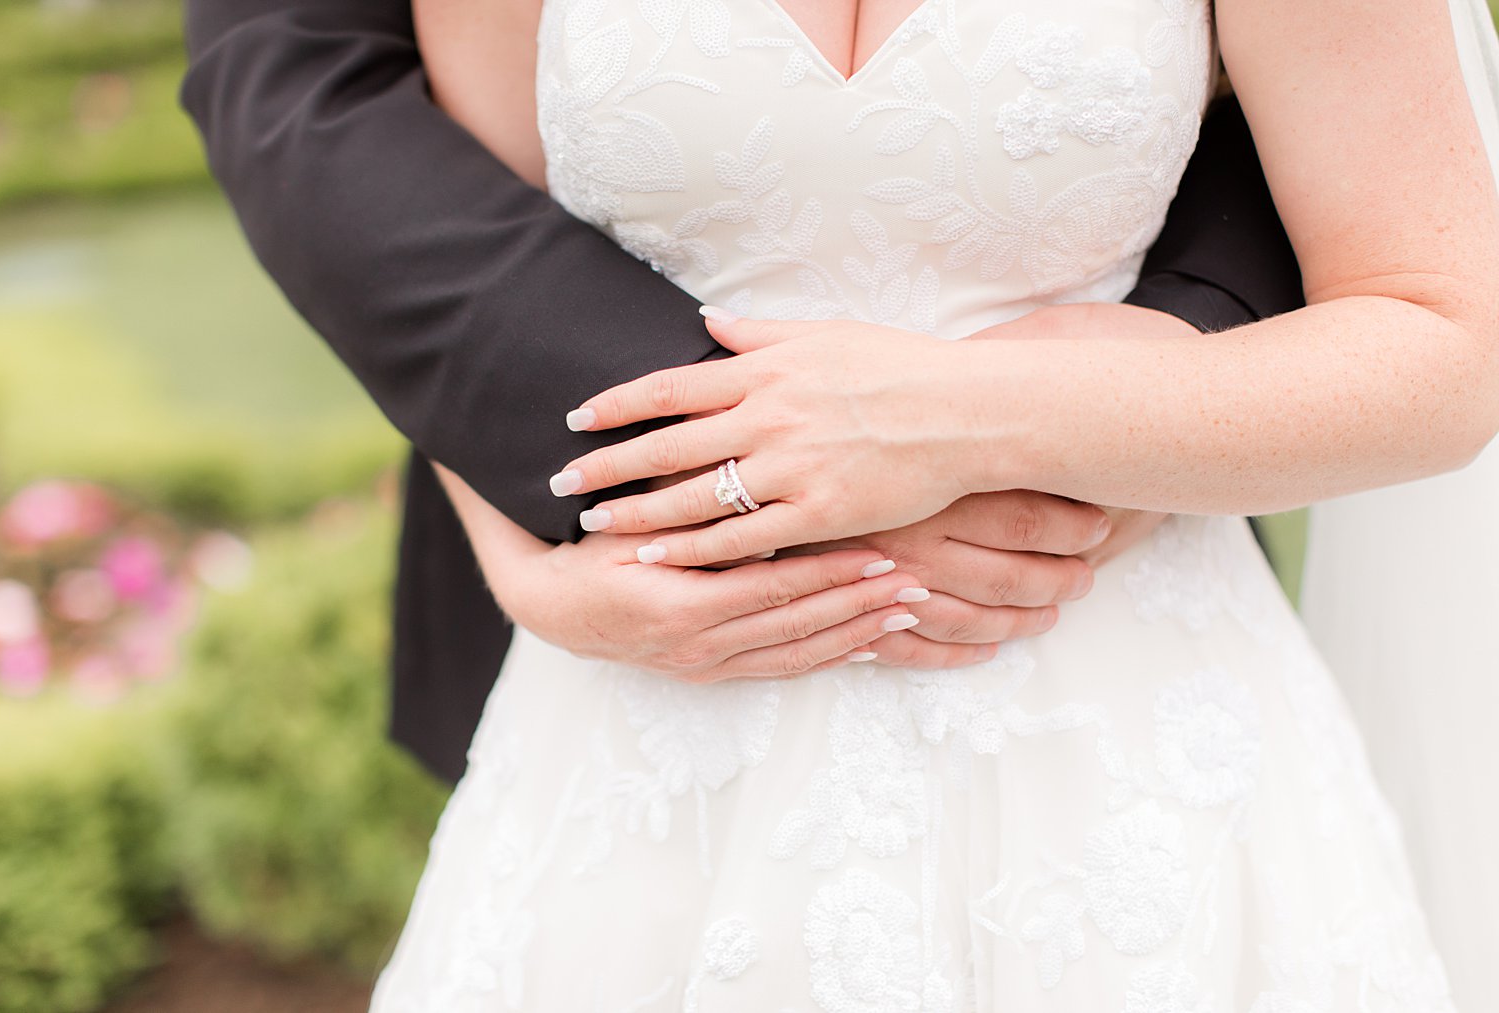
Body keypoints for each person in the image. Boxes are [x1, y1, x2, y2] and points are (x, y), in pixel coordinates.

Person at [355, 0, 1499, 1006]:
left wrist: (963, 412)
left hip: (1116, 738)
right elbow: (463, 275)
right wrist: (519, 563)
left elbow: (1438, 348)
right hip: (647, 739)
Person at [180, 0, 1300, 785]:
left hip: (1113, 635)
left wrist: (1114, 401)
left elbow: (1395, 207)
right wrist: (701, 468)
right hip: (638, 635)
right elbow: (311, 90)